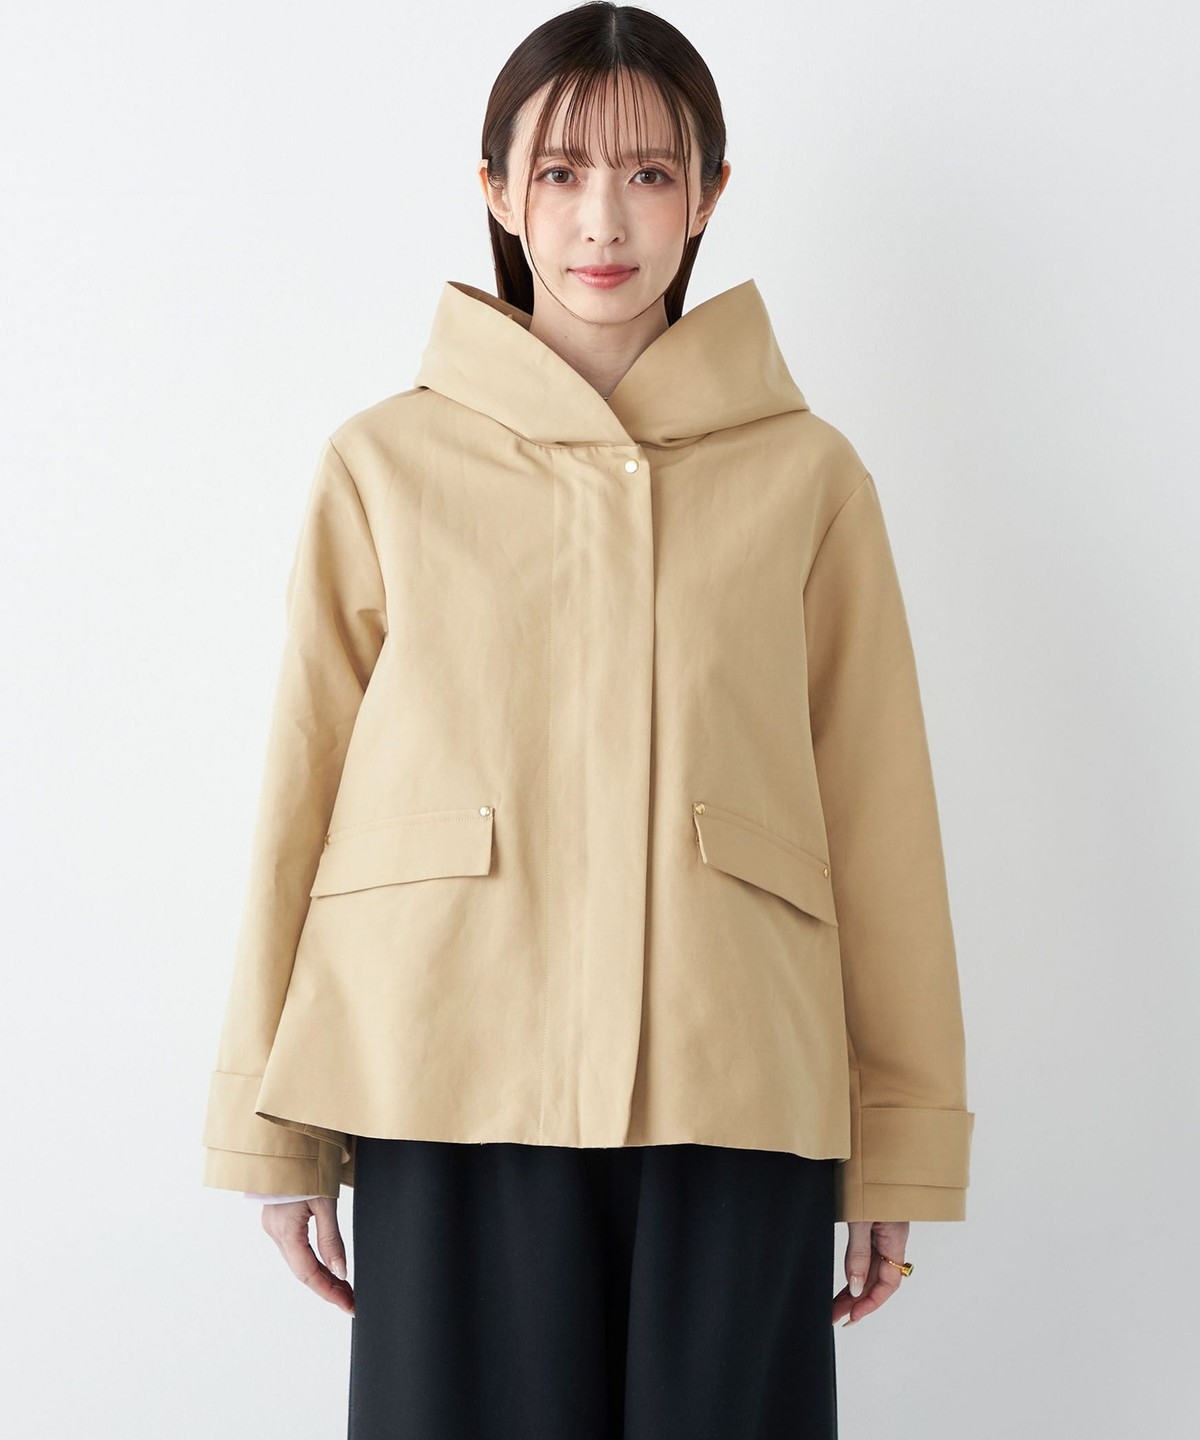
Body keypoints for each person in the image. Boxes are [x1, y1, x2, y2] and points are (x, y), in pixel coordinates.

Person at [201, 5, 974, 1436]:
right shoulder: (384, 465)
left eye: (650, 173)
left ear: (710, 195)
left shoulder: (809, 479)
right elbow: (300, 799)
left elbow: (880, 821)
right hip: (442, 1075)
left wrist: (899, 1141)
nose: (602, 218)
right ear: (496, 192)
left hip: (737, 1088)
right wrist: (274, 1124)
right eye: (558, 172)